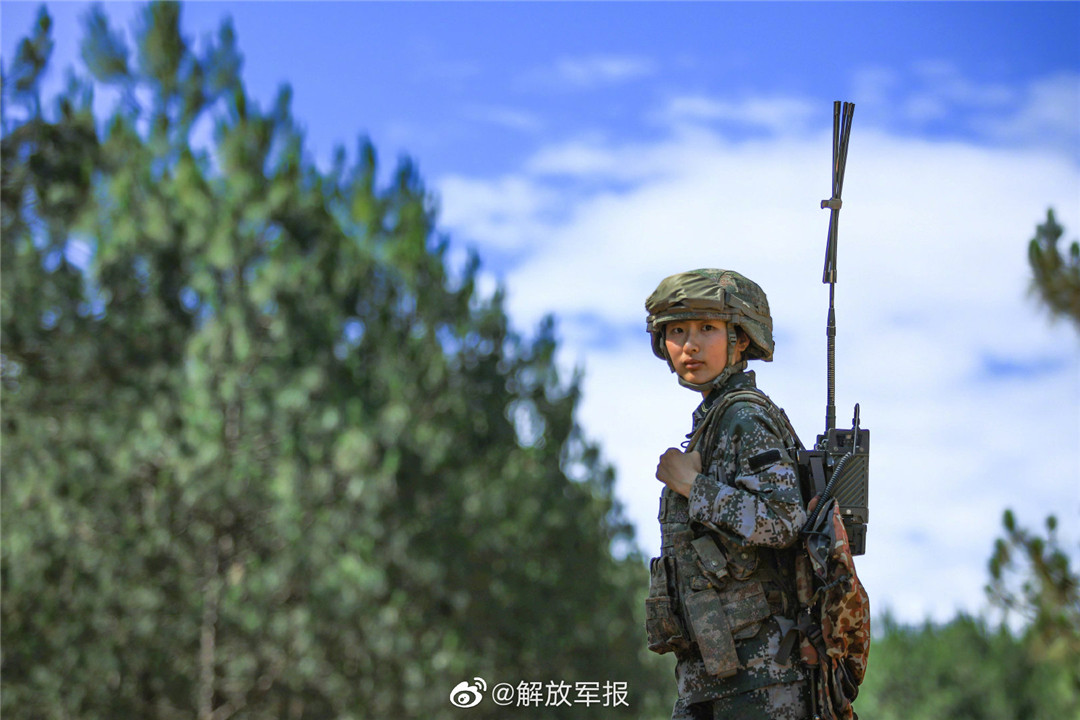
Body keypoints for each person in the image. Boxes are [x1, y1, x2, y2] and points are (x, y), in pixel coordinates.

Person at [644, 269, 812, 720]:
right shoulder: (714, 418)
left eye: (707, 328)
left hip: (762, 681)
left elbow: (784, 520)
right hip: (719, 676)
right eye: (677, 331)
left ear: (740, 339)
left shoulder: (743, 417)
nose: (690, 345)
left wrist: (691, 486)